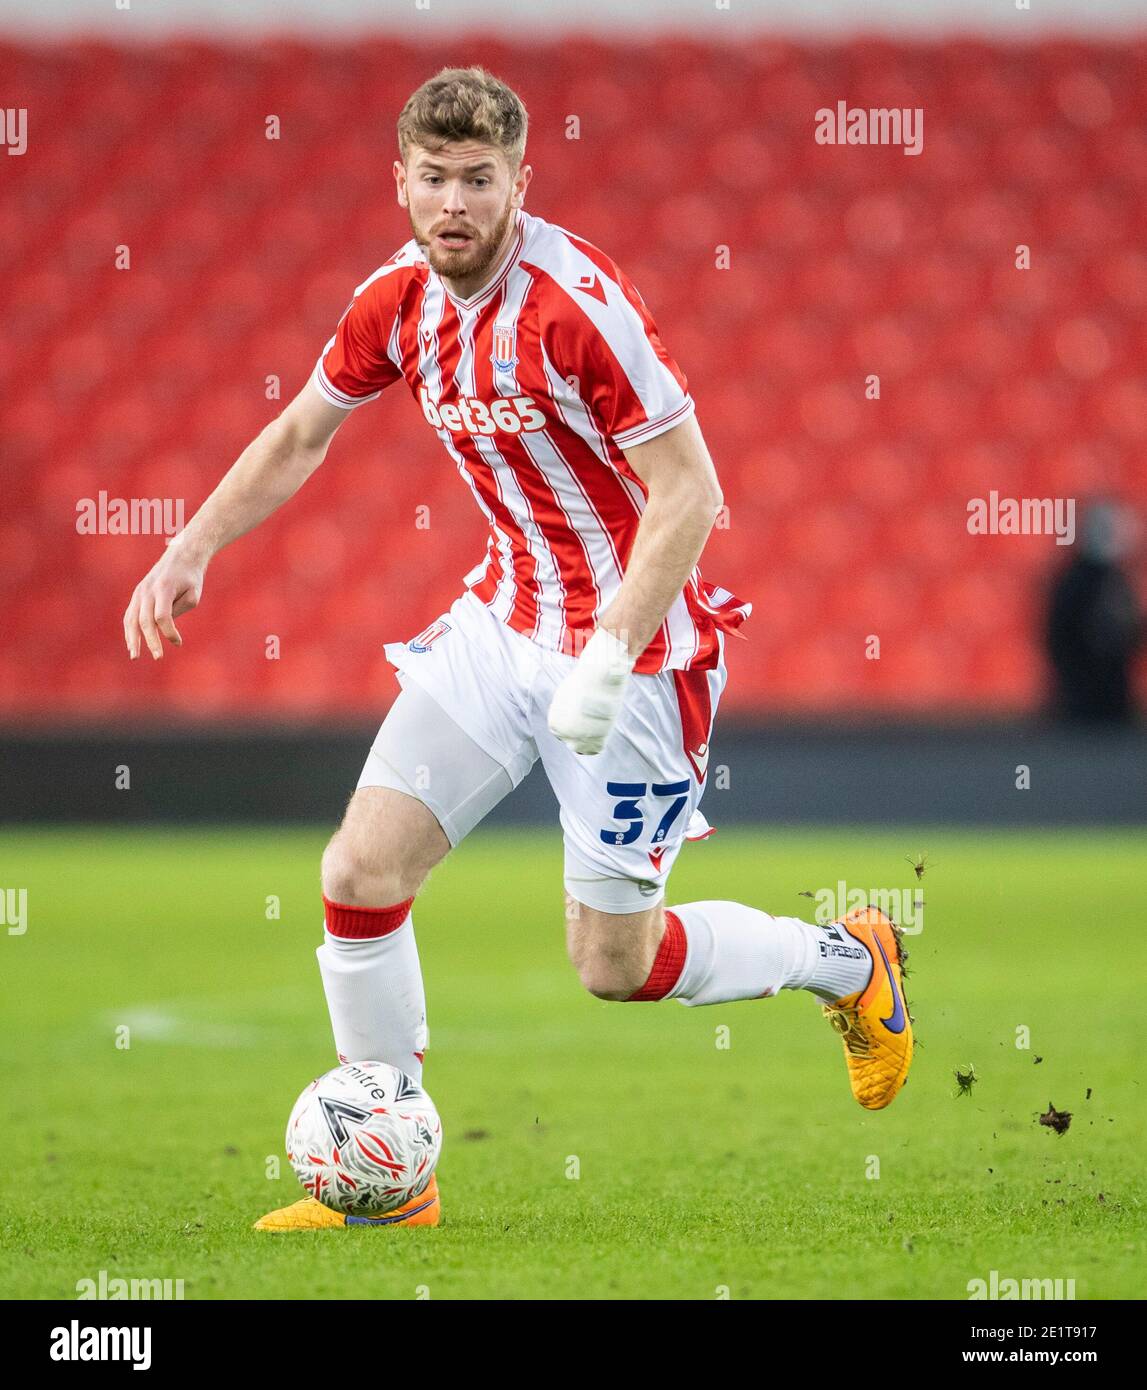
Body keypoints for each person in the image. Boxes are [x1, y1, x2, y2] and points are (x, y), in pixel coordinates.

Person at [123, 66, 913, 1232]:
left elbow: (689, 492)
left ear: (518, 183)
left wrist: (609, 649)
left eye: (478, 180)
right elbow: (300, 433)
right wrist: (190, 543)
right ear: (398, 182)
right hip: (503, 624)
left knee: (613, 963)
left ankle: (849, 961)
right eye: (433, 179)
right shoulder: (393, 301)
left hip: (636, 653)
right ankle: (390, 1185)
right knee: (358, 873)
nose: (453, 203)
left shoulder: (573, 306)